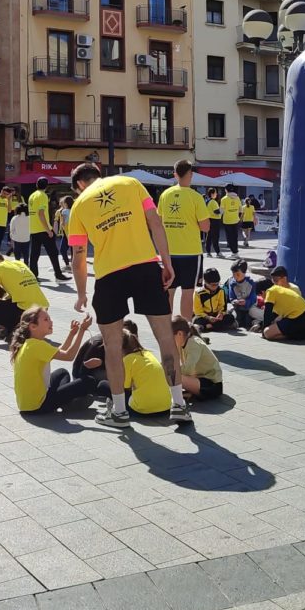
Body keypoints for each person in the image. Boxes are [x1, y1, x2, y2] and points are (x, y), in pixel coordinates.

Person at [66, 163, 190, 427]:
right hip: (145, 266)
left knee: (112, 346)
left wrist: (80, 293)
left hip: (109, 275)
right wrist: (166, 263)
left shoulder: (78, 206)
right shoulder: (130, 183)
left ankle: (119, 411)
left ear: (79, 185)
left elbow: (78, 255)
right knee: (166, 339)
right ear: (99, 175)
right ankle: (179, 404)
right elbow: (155, 222)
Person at [10, 307, 95, 414]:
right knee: (89, 381)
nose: (51, 321)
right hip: (39, 406)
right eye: (46, 320)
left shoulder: (30, 344)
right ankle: (67, 401)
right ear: (33, 326)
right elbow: (69, 356)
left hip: (27, 404)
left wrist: (72, 334)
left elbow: (59, 351)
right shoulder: (36, 346)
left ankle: (65, 400)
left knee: (62, 373)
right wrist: (82, 330)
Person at [157, 160, 211, 319]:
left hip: (169, 252)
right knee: (188, 293)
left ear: (175, 174)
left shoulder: (165, 195)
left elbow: (158, 223)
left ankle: (167, 328)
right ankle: (186, 330)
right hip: (191, 252)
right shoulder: (196, 197)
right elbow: (205, 227)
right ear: (191, 175)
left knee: (169, 291)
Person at [93, 327, 172, 417]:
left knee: (102, 385)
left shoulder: (127, 360)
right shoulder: (148, 354)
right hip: (166, 406)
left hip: (143, 409)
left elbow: (124, 387)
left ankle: (118, 411)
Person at [0, 251, 48, 336]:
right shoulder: (19, 263)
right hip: (43, 305)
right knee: (8, 304)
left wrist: (0, 305)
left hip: (25, 308)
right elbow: (19, 288)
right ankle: (14, 326)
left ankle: (7, 326)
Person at [261, 267, 305, 341]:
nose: (274, 283)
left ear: (284, 278)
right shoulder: (277, 290)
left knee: (269, 332)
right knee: (275, 323)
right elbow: (274, 313)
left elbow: (268, 313)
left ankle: (302, 331)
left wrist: (265, 330)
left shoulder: (293, 289)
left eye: (276, 280)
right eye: (273, 281)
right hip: (298, 315)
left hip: (296, 316)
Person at [27, 177, 68, 282]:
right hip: (43, 229)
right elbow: (41, 214)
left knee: (34, 253)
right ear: (46, 186)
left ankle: (33, 275)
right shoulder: (43, 196)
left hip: (33, 228)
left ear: (36, 184)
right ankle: (58, 274)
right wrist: (48, 230)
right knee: (53, 252)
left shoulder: (32, 196)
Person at [174, 316, 224, 402]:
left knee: (172, 376)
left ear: (179, 334)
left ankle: (188, 393)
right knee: (171, 374)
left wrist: (167, 370)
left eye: (171, 336)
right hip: (201, 379)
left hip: (213, 385)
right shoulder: (183, 342)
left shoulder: (193, 343)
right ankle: (189, 393)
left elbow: (187, 370)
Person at [193, 268, 236, 333]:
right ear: (206, 282)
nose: (215, 287)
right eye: (213, 285)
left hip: (216, 316)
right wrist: (208, 317)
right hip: (204, 316)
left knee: (230, 317)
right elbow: (198, 311)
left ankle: (207, 327)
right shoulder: (198, 293)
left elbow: (223, 306)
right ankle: (216, 326)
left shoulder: (221, 291)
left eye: (217, 284)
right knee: (197, 320)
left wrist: (221, 314)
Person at [225, 259, 258, 330]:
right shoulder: (232, 283)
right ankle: (235, 323)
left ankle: (256, 323)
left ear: (244, 272)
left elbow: (253, 298)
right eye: (233, 274)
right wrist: (235, 301)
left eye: (238, 274)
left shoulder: (251, 283)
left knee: (250, 315)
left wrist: (246, 302)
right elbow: (231, 297)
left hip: (248, 308)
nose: (235, 276)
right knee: (232, 313)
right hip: (237, 307)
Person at [220, 185, 242, 257]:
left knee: (229, 237)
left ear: (226, 190)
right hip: (235, 220)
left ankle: (234, 252)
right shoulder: (237, 198)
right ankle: (236, 252)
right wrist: (238, 217)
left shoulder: (224, 199)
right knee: (235, 237)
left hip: (227, 220)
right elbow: (240, 209)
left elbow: (221, 211)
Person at [55, 196, 74, 268]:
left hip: (66, 234)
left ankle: (67, 264)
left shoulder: (64, 211)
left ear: (65, 203)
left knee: (62, 250)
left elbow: (62, 223)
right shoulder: (73, 210)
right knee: (73, 252)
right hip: (73, 233)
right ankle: (73, 265)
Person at [204, 187, 223, 258]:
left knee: (209, 237)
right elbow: (216, 211)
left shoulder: (207, 201)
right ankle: (218, 252)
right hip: (215, 221)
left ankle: (208, 252)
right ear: (212, 194)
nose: (216, 194)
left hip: (209, 219)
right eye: (215, 193)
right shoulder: (213, 202)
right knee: (215, 237)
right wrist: (222, 210)